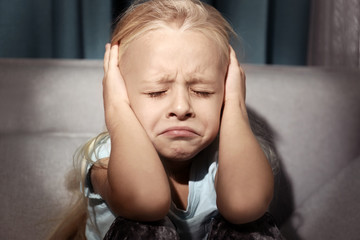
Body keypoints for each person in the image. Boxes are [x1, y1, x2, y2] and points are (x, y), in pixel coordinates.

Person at [48, 0, 283, 239]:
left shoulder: (233, 153)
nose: (181, 108)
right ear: (119, 90)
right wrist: (117, 109)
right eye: (156, 92)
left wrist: (236, 106)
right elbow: (145, 202)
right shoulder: (106, 159)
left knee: (251, 227)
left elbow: (245, 204)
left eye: (203, 91)